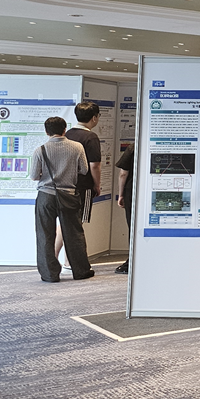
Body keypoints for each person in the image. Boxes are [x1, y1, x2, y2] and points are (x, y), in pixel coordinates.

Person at [31, 116, 93, 282]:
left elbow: (34, 176)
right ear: (65, 129)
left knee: (45, 235)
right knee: (74, 234)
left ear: (46, 132)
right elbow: (84, 170)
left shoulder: (40, 150)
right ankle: (81, 271)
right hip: (69, 195)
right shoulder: (77, 147)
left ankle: (49, 274)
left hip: (46, 196)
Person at [55, 102, 103, 272]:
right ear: (94, 118)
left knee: (66, 221)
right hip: (83, 186)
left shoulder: (67, 134)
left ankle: (62, 259)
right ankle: (64, 259)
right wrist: (97, 184)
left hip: (64, 185)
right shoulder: (91, 138)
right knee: (76, 224)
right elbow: (94, 165)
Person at [113, 142, 136, 274]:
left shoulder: (133, 147)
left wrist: (121, 194)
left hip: (133, 191)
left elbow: (123, 173)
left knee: (133, 226)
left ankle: (132, 261)